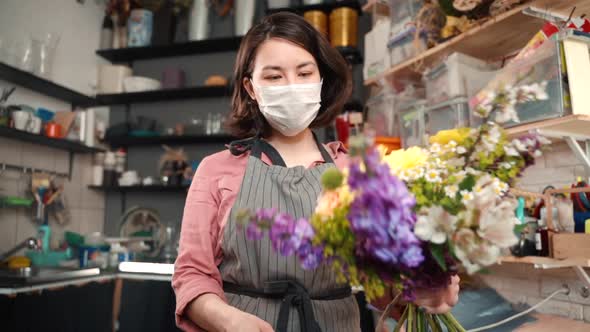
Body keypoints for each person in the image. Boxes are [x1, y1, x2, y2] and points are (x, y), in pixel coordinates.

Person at [172, 12, 460, 332]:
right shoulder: (216, 171)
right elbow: (191, 275)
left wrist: (420, 290)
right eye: (274, 76)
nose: (291, 86)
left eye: (304, 72)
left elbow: (378, 287)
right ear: (250, 88)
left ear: (321, 80)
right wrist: (227, 320)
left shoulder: (356, 172)